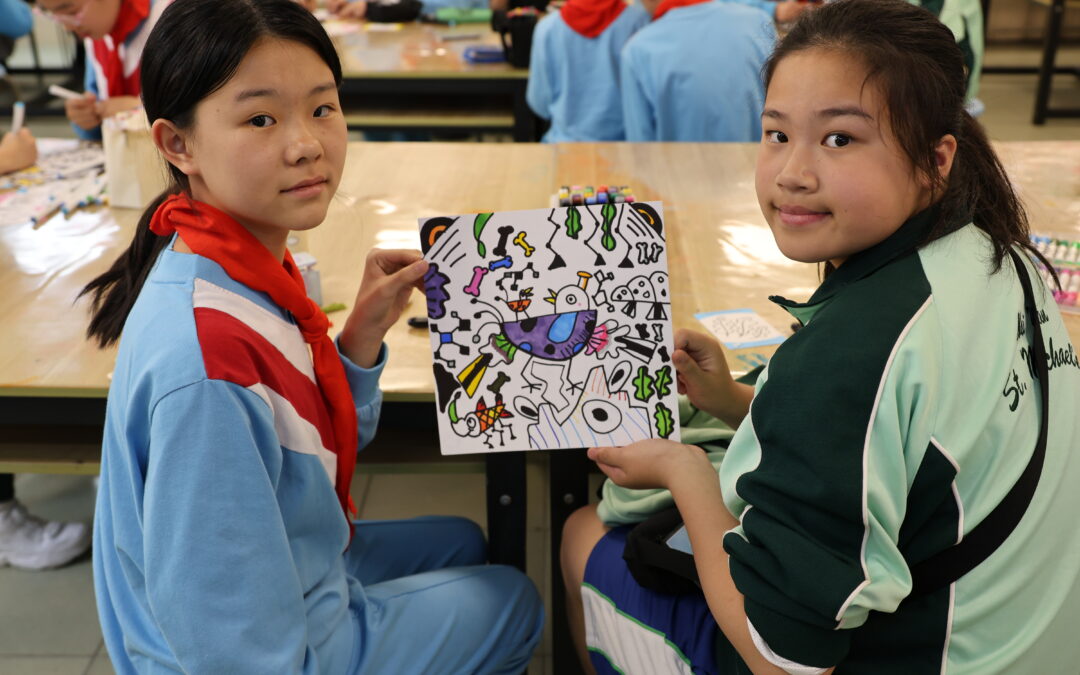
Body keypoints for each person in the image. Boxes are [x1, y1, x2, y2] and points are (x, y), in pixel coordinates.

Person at [562, 0, 1080, 672]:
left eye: (839, 139)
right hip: (1032, 640)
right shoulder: (1004, 257)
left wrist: (683, 471)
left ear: (936, 159)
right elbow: (898, 440)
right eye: (776, 134)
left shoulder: (854, 350)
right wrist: (736, 401)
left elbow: (783, 661)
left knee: (583, 532)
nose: (792, 173)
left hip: (923, 655)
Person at [82, 0, 543, 672]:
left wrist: (357, 341)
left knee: (462, 540)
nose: (306, 144)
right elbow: (235, 651)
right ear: (178, 145)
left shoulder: (236, 260)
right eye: (261, 119)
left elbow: (298, 447)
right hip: (260, 646)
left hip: (284, 570)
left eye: (322, 107)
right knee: (515, 599)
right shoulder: (208, 366)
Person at [619, 0, 777, 142]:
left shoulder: (638, 51)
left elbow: (640, 149)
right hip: (757, 163)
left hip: (678, 165)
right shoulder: (758, 22)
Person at [34, 0, 173, 139]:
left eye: (72, 12)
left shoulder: (171, 21)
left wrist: (140, 111)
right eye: (55, 16)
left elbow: (184, 118)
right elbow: (97, 106)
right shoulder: (97, 35)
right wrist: (86, 117)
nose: (67, 27)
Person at [525, 0, 649, 142]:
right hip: (623, 146)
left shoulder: (547, 27)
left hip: (564, 144)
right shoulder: (639, 21)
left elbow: (539, 103)